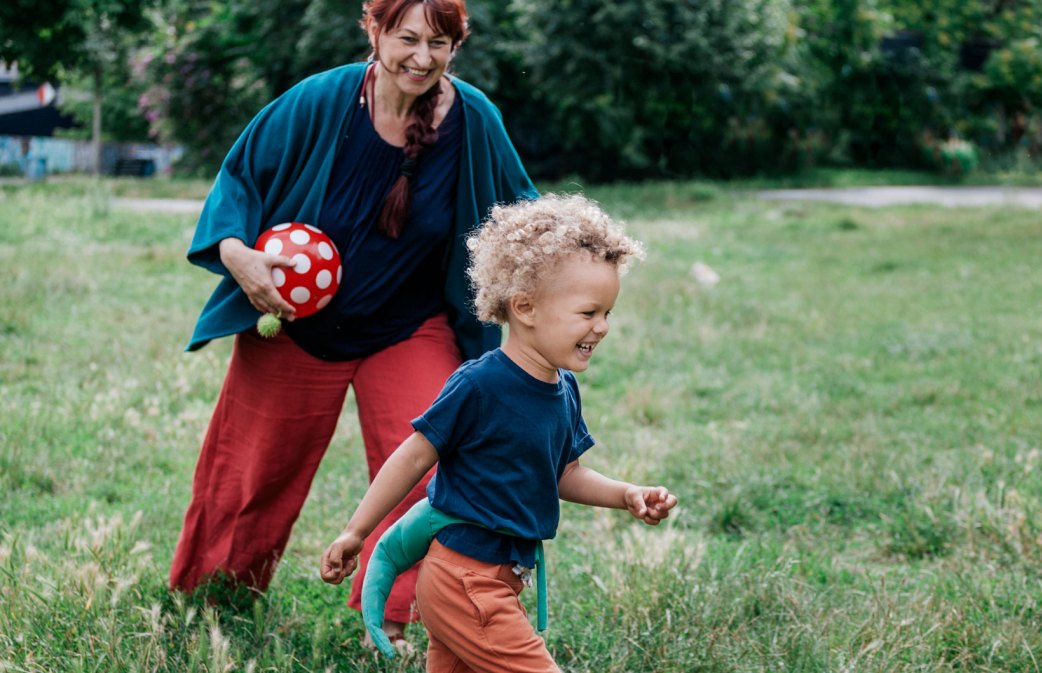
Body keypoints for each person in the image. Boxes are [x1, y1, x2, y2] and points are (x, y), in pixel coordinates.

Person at [169, 0, 537, 650]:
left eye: (440, 43)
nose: (422, 57)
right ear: (374, 32)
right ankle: (213, 601)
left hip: (408, 325)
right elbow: (238, 179)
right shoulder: (320, 101)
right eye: (407, 38)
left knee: (432, 465)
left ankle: (395, 615)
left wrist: (569, 259)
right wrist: (238, 254)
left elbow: (523, 211)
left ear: (457, 46)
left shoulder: (474, 119)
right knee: (252, 472)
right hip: (299, 325)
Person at [320, 194, 679, 672]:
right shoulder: (479, 385)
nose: (603, 327)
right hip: (466, 581)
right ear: (526, 307)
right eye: (589, 312)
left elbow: (564, 473)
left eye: (607, 313)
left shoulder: (562, 388)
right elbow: (413, 456)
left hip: (498, 578)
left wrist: (627, 494)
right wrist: (356, 531)